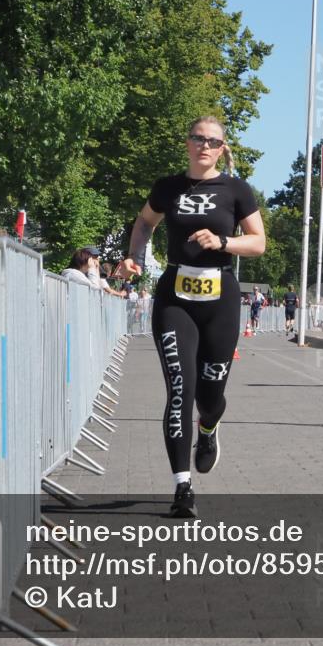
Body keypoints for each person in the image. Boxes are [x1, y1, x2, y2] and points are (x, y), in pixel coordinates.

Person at [120, 115, 265, 517]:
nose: (204, 146)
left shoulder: (236, 189)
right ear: (187, 143)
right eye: (198, 138)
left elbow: (259, 243)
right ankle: (182, 487)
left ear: (222, 149)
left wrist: (223, 241)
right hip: (175, 297)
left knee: (210, 395)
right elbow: (145, 222)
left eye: (213, 141)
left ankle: (209, 427)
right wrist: (134, 256)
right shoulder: (168, 187)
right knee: (180, 390)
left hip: (220, 294)